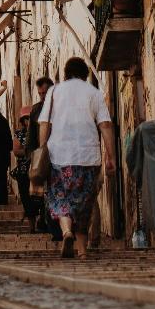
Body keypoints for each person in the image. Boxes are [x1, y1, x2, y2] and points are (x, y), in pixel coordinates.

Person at [39, 58, 116, 259]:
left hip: (59, 156)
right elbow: (106, 125)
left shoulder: (54, 92)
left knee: (60, 197)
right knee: (84, 204)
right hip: (88, 157)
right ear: (85, 74)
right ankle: (82, 250)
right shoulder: (94, 93)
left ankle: (66, 232)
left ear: (65, 73)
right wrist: (111, 156)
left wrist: (41, 149)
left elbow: (44, 123)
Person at [26, 76, 54, 234]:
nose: (43, 96)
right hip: (42, 156)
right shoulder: (36, 109)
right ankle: (44, 220)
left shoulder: (61, 107)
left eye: (45, 93)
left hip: (59, 154)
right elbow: (31, 135)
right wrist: (31, 156)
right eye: (40, 93)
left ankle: (53, 223)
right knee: (42, 191)